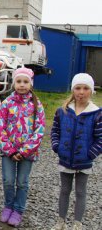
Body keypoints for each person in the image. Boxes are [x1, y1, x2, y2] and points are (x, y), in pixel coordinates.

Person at [50, 73, 101, 230]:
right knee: (64, 190)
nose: (81, 92)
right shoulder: (62, 111)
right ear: (73, 90)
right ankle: (60, 222)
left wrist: (90, 153)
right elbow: (55, 130)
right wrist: (57, 146)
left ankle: (77, 223)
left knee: (80, 192)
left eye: (86, 88)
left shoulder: (97, 114)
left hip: (84, 161)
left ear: (91, 91)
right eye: (78, 88)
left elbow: (101, 138)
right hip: (65, 159)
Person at [0, 67, 45, 227]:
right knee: (8, 180)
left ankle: (18, 210)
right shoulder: (7, 103)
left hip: (27, 153)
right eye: (19, 81)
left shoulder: (36, 105)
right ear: (14, 83)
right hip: (8, 152)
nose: (22, 85)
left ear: (31, 84)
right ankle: (8, 206)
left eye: (25, 82)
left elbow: (40, 129)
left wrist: (25, 151)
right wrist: (9, 150)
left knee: (22, 182)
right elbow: (0, 127)